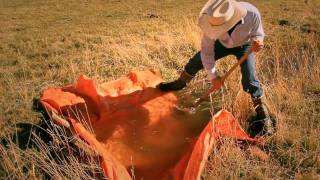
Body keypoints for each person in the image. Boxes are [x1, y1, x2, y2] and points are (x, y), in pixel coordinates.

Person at [158, 0, 275, 136]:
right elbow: (206, 54)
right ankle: (180, 83)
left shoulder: (252, 13)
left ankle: (263, 114)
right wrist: (214, 78)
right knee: (195, 62)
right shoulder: (212, 22)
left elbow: (258, 34)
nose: (216, 29)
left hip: (245, 45)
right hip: (221, 45)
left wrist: (259, 42)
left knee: (249, 80)